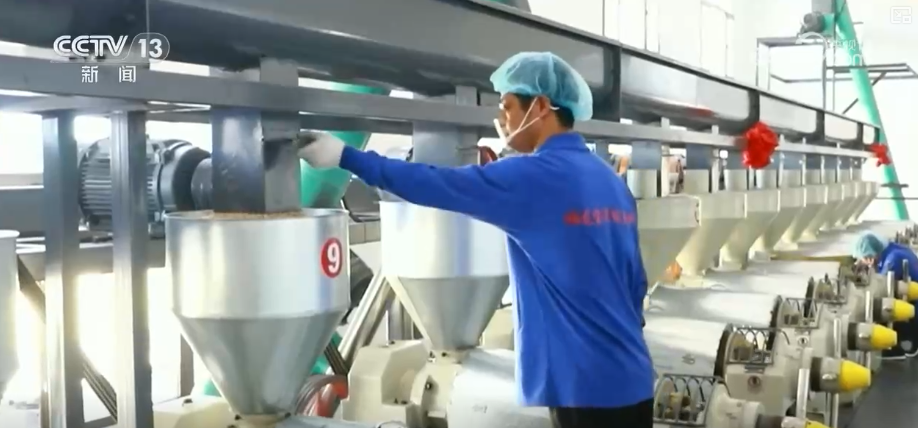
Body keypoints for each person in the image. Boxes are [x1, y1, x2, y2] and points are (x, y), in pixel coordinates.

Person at [296, 52, 655, 428]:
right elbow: (635, 282)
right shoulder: (610, 181)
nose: (503, 119)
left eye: (508, 106)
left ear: (541, 106)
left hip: (584, 385)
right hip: (632, 374)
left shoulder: (532, 177)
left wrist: (346, 156)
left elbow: (437, 183)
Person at [852, 232, 918, 281]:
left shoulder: (891, 261)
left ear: (870, 259)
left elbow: (881, 286)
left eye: (861, 259)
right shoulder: (892, 249)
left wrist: (873, 269)